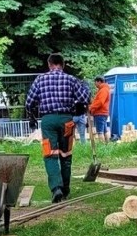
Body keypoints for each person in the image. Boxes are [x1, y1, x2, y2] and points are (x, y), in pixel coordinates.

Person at [25, 53, 90, 202]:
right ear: (63, 64)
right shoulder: (71, 79)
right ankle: (65, 189)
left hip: (48, 120)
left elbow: (29, 102)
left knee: (50, 155)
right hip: (67, 120)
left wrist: (32, 117)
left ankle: (56, 188)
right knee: (66, 155)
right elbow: (85, 98)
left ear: (49, 64)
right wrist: (85, 87)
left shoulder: (40, 79)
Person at [89, 76, 112, 140]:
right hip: (103, 113)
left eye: (95, 82)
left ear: (99, 81)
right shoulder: (104, 89)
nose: (95, 84)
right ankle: (107, 146)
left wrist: (91, 107)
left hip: (100, 113)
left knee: (100, 132)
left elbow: (100, 102)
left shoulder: (103, 90)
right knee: (105, 131)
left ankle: (101, 148)